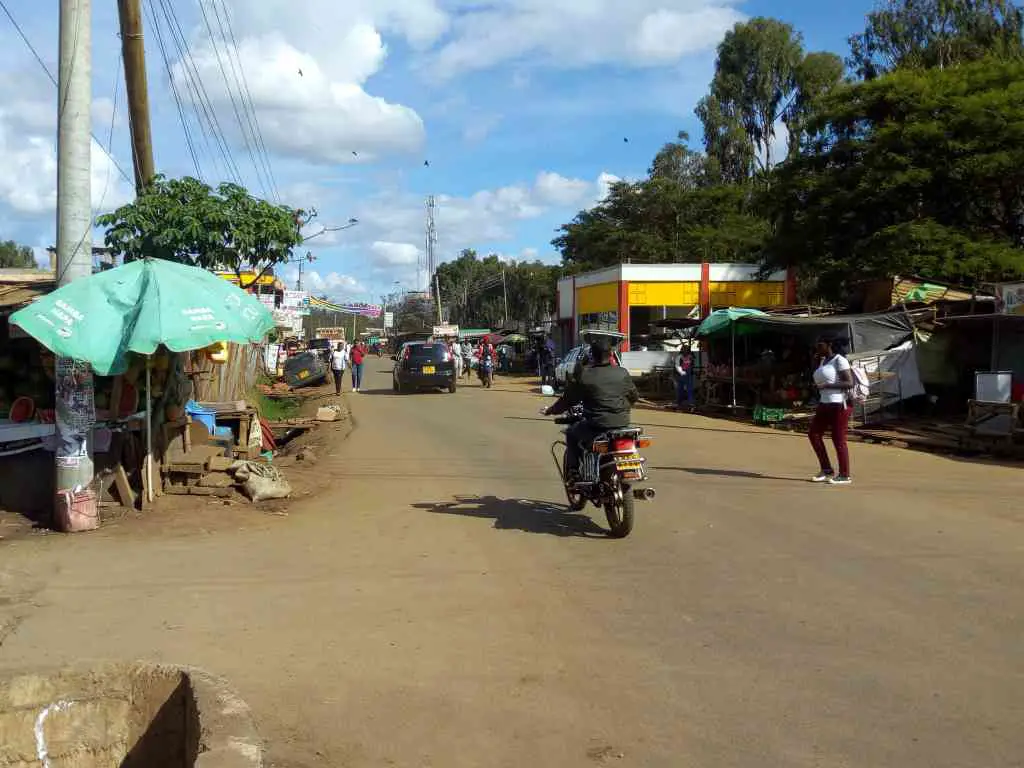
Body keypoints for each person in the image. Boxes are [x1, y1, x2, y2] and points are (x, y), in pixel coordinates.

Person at [542, 338, 639, 480]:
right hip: (622, 423)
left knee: (571, 433)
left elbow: (568, 400)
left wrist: (550, 410)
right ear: (611, 354)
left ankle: (573, 473)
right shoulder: (622, 372)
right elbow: (634, 396)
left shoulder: (585, 375)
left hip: (597, 425)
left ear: (592, 356)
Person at [808, 336, 854, 485]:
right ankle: (826, 469)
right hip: (824, 403)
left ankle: (845, 475)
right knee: (814, 434)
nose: (818, 348)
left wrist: (827, 386)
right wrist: (814, 361)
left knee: (838, 439)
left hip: (839, 404)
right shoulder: (822, 361)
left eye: (820, 345)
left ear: (829, 345)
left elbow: (849, 382)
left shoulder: (839, 360)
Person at [674, 344, 695, 411]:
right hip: (681, 375)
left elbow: (691, 365)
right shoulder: (679, 357)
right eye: (684, 349)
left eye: (687, 350)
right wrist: (681, 372)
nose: (685, 351)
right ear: (682, 350)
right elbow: (677, 366)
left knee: (689, 389)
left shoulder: (690, 356)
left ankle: (690, 403)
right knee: (680, 390)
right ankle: (679, 403)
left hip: (688, 375)